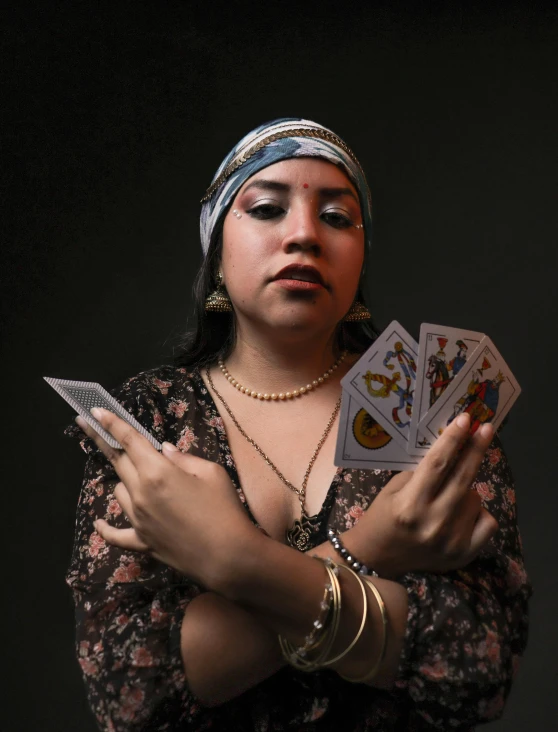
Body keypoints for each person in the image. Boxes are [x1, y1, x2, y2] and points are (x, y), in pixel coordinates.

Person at [64, 118, 531, 731]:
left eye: (337, 217)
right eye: (265, 209)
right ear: (217, 257)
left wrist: (236, 566)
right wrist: (372, 548)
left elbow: (477, 669)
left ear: (360, 260)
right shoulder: (148, 420)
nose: (305, 234)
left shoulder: (437, 410)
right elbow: (132, 695)